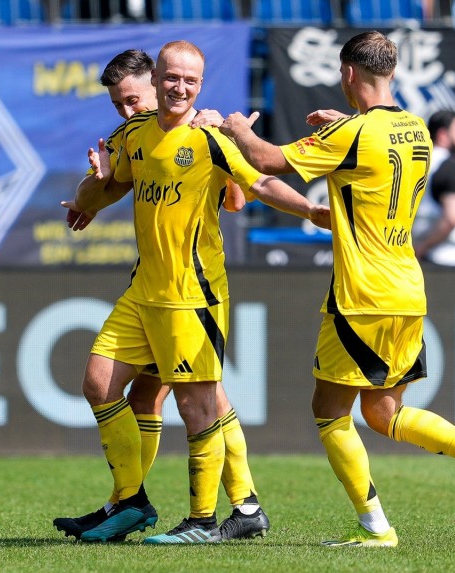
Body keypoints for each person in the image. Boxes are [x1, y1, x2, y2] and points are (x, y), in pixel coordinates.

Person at [218, 30, 455, 548]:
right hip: (407, 287)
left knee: (328, 410)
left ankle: (375, 527)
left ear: (349, 74)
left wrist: (233, 130)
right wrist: (345, 130)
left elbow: (267, 160)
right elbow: (376, 161)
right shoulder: (418, 130)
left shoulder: (355, 134)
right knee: (384, 413)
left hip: (362, 293)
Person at [58, 40, 328, 544]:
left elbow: (256, 188)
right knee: (100, 383)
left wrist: (312, 213)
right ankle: (134, 500)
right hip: (145, 290)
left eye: (189, 81)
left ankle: (205, 518)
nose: (177, 88)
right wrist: (92, 189)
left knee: (198, 402)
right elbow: (103, 187)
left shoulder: (209, 136)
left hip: (191, 293)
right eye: (172, 79)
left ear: (194, 86)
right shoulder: (133, 136)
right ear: (159, 78)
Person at [412, 109, 455, 266]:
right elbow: (453, 216)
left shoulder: (419, 164)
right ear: (443, 135)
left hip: (427, 260)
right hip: (451, 261)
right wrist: (422, 246)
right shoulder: (451, 166)